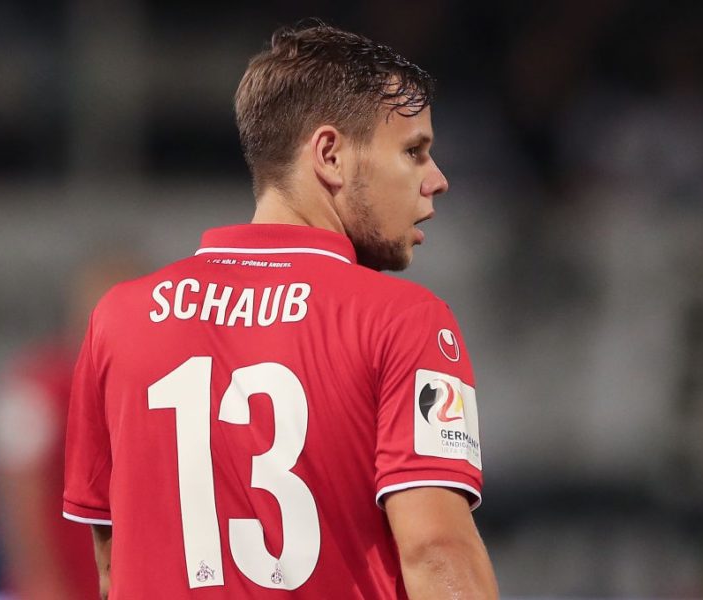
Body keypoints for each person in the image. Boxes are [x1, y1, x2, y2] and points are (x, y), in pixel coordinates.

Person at [63, 21, 499, 599]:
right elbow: (435, 551)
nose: (437, 181)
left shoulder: (119, 318)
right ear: (330, 156)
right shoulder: (403, 320)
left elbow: (115, 567)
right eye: (413, 152)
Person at [0, 253, 141, 600]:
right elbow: (19, 484)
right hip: (66, 587)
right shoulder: (39, 388)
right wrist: (40, 579)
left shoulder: (140, 384)